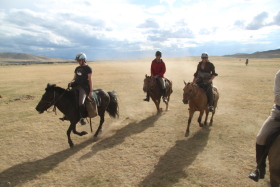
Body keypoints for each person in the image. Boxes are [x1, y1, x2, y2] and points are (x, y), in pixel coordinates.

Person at [248, 70, 280, 182]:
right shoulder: (279, 74)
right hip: (278, 116)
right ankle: (260, 169)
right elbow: (277, 97)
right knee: (260, 138)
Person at [69, 52, 93, 125]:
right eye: (77, 60)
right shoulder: (77, 68)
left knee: (81, 102)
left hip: (84, 87)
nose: (78, 62)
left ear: (83, 60)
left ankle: (82, 118)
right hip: (76, 85)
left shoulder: (88, 68)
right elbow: (74, 78)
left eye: (79, 60)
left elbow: (90, 80)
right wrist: (71, 82)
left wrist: (90, 91)